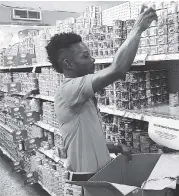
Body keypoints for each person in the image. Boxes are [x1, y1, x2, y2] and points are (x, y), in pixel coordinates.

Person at [45, 4, 157, 186]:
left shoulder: (81, 95)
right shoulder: (69, 90)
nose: (93, 60)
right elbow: (117, 69)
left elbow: (85, 139)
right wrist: (138, 28)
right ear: (68, 64)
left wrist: (113, 147)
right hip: (87, 178)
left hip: (99, 174)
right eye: (85, 56)